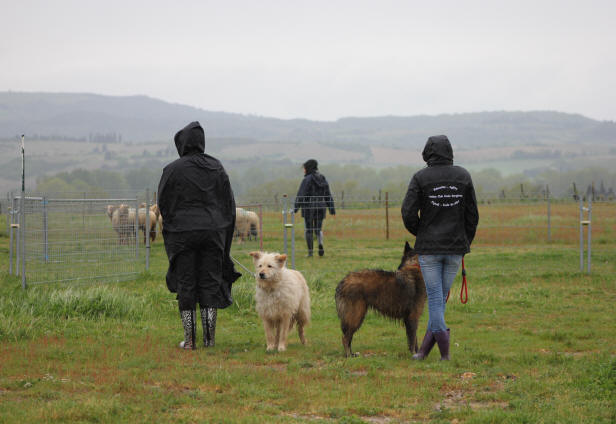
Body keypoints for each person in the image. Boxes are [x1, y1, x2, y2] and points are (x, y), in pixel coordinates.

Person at [158, 121, 241, 350]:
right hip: (213, 233)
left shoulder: (172, 170)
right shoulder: (216, 167)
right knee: (209, 282)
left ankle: (190, 340)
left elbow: (163, 204)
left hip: (183, 234)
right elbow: (228, 203)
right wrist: (223, 232)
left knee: (186, 283)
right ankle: (209, 340)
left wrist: (175, 227)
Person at [401, 135, 479, 360]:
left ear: (427, 153)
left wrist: (422, 233)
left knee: (436, 298)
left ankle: (444, 355)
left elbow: (408, 213)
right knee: (439, 299)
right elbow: (472, 215)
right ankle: (424, 352)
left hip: (429, 250)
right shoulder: (463, 176)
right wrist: (465, 240)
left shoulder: (420, 177)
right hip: (455, 248)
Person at [294, 159, 335, 257]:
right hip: (321, 206)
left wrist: (296, 207)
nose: (303, 170)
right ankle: (320, 244)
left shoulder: (307, 179)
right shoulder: (322, 178)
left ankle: (310, 252)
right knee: (318, 229)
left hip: (309, 207)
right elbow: (328, 194)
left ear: (308, 168)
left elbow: (301, 194)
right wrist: (331, 207)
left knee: (309, 229)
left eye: (304, 168)